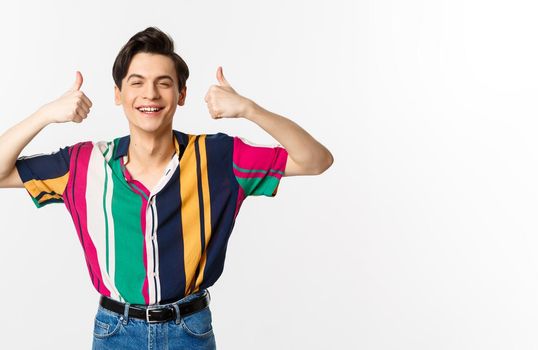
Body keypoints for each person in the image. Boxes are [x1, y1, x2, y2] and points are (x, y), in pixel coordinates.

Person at [0, 26, 333, 349]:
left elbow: (315, 161)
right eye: (137, 83)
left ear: (181, 94)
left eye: (164, 83)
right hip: (115, 331)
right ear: (118, 94)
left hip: (189, 330)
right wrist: (44, 115)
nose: (150, 94)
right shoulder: (82, 164)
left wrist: (249, 109)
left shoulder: (218, 157)